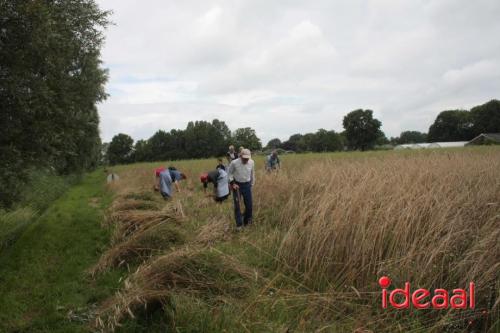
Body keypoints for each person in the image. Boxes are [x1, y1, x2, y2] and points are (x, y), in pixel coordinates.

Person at [228, 148, 255, 230]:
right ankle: (239, 224)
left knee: (249, 205)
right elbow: (229, 173)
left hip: (247, 185)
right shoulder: (234, 163)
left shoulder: (252, 162)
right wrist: (233, 183)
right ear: (240, 156)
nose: (246, 160)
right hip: (237, 185)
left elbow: (252, 173)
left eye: (247, 158)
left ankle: (247, 221)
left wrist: (252, 184)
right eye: (244, 158)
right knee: (237, 206)